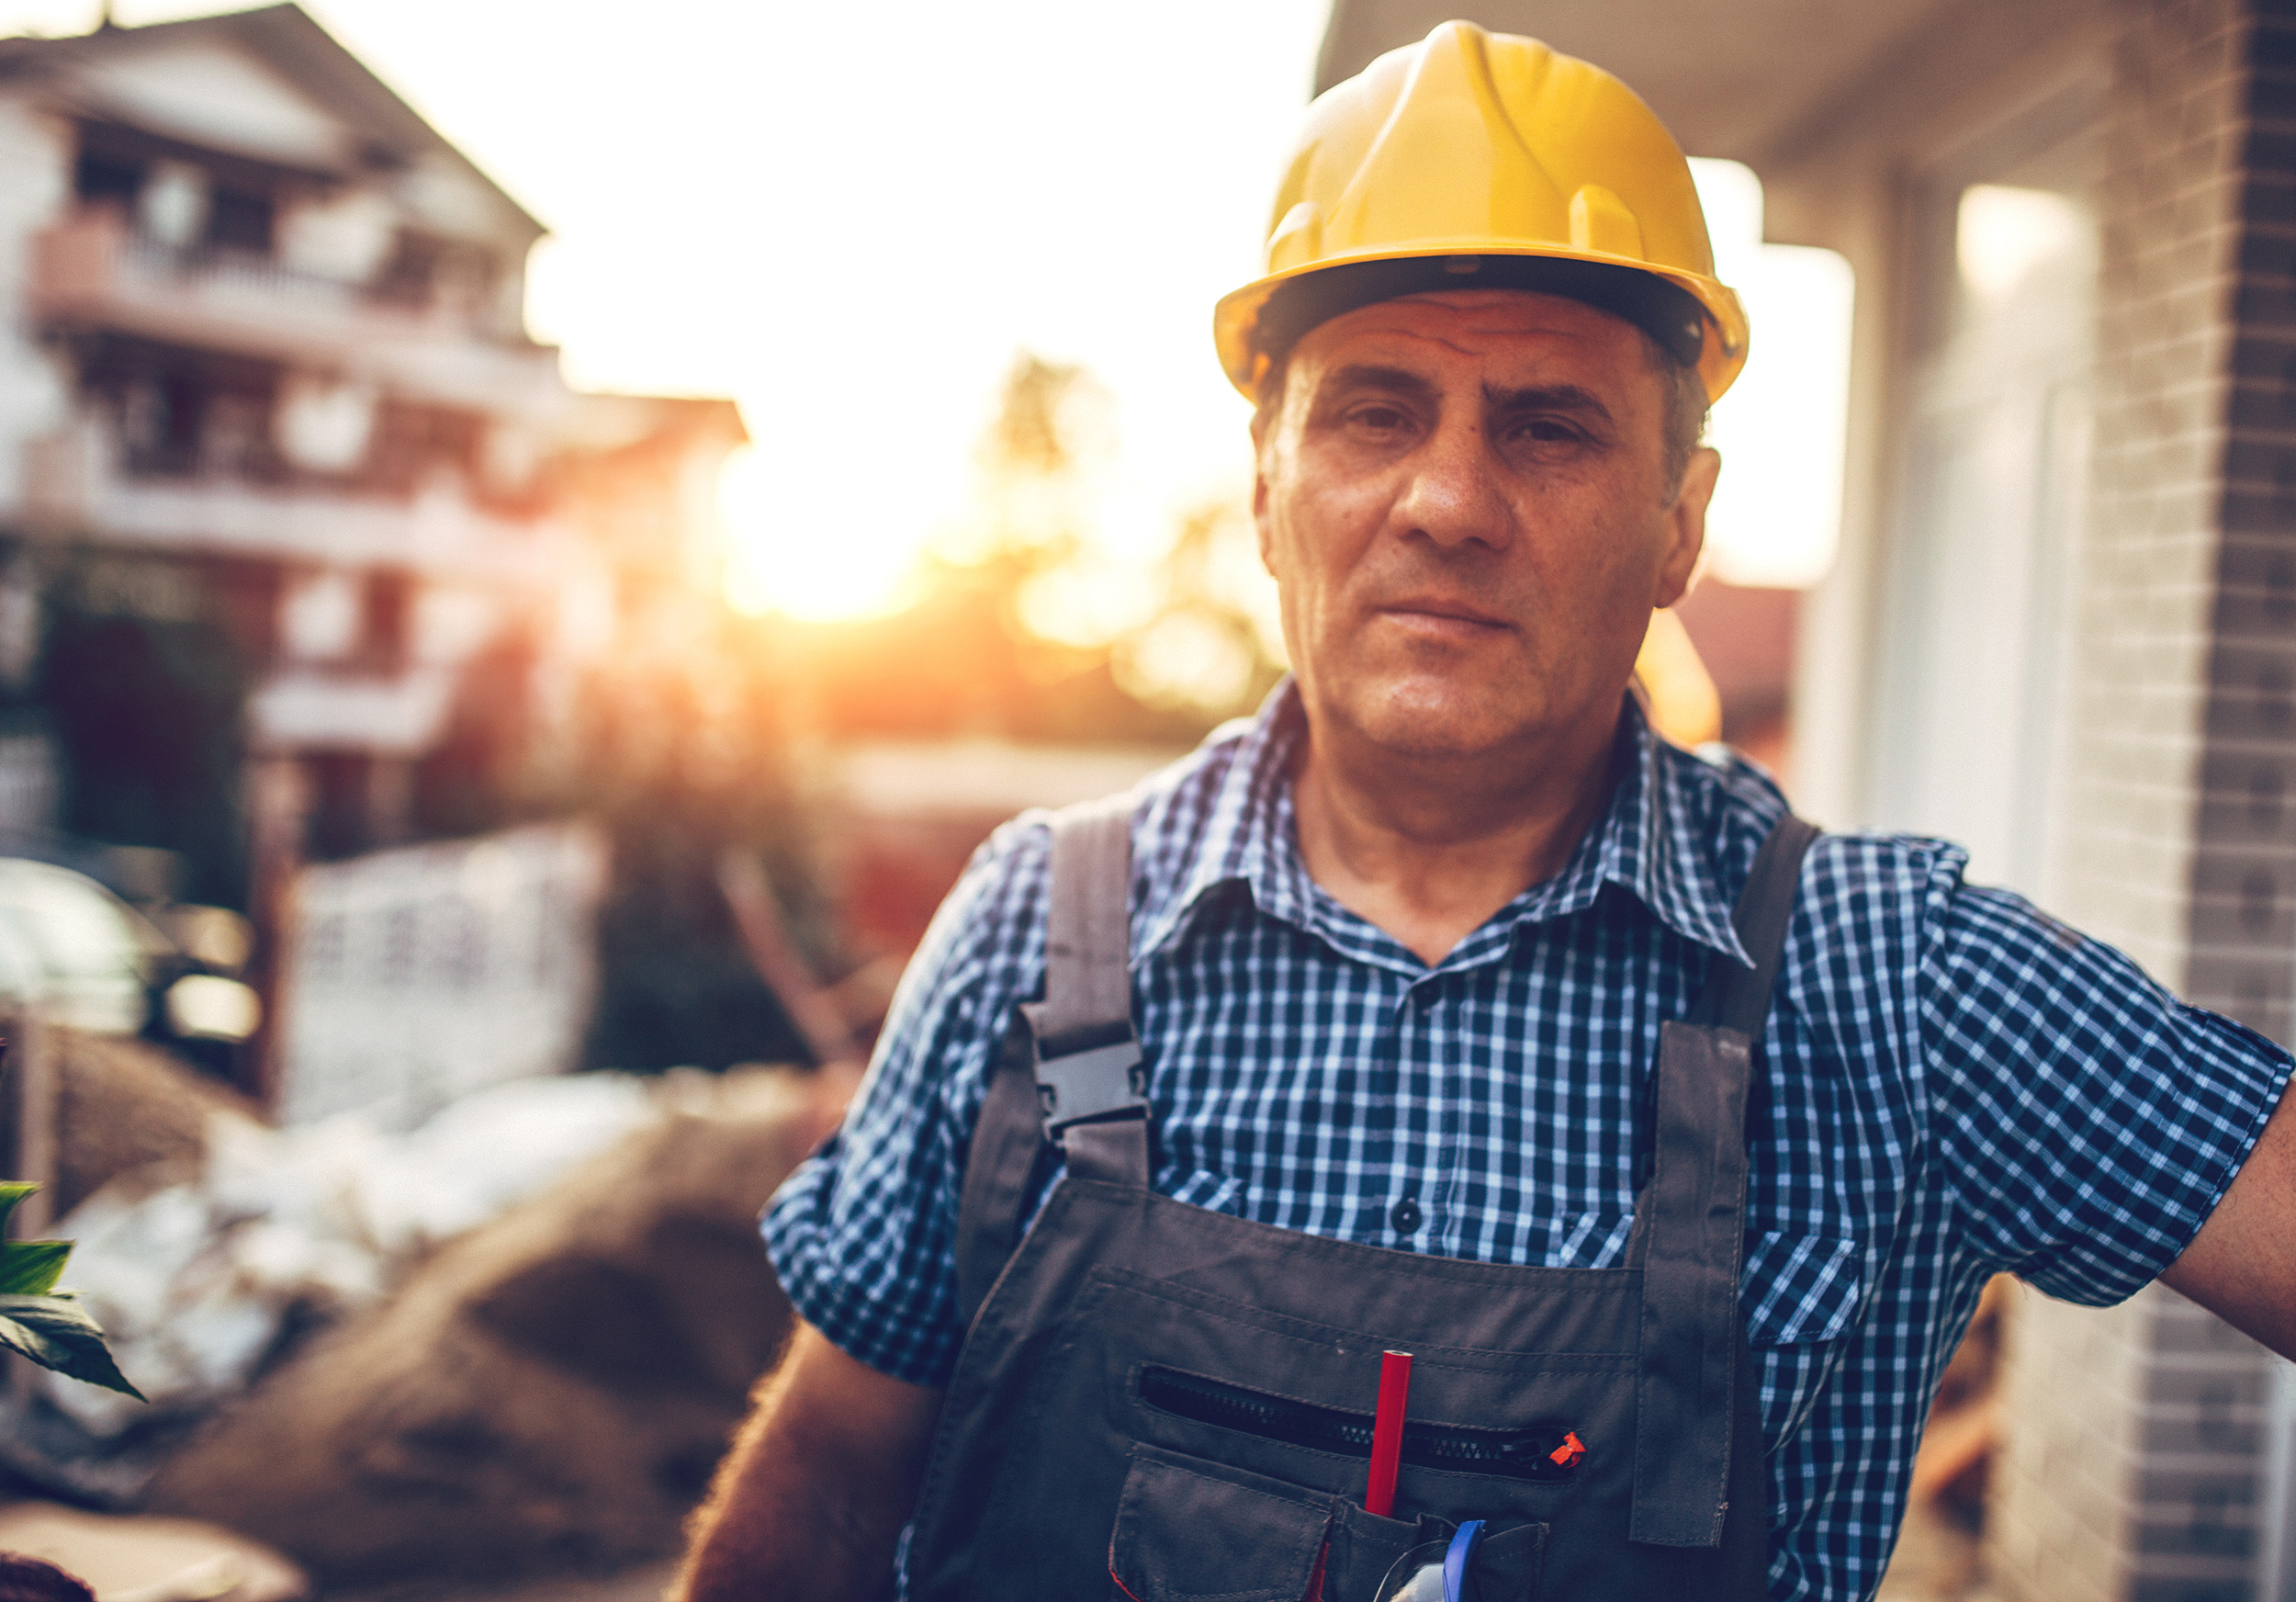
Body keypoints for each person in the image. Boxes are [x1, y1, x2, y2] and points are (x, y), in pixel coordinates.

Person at [677, 21, 2296, 1602]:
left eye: (1550, 425)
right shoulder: (1039, 924)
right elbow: (822, 1476)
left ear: (1680, 524)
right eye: (1377, 411)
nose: (1448, 502)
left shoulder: (1898, 983)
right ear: (1265, 483)